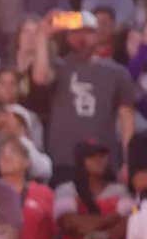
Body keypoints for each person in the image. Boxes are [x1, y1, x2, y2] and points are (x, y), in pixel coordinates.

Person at [28, 12, 138, 180]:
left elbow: (127, 119)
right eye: (75, 32)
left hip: (103, 160)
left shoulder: (117, 72)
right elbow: (40, 77)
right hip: (63, 160)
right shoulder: (59, 67)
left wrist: (129, 161)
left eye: (87, 32)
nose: (81, 37)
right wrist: (42, 35)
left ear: (97, 34)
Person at [54, 141, 129, 239]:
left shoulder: (121, 191)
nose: (98, 160)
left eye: (102, 156)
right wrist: (112, 217)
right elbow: (71, 225)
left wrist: (88, 227)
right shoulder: (66, 190)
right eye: (91, 156)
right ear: (80, 160)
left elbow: (121, 232)